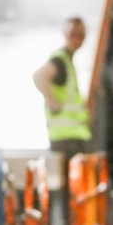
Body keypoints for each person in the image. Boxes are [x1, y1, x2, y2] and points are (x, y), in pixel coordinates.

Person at [32, 17, 92, 165]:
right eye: (73, 34)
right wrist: (53, 101)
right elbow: (39, 76)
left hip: (72, 136)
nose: (77, 38)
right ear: (65, 35)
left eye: (81, 34)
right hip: (67, 139)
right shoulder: (60, 61)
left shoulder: (68, 61)